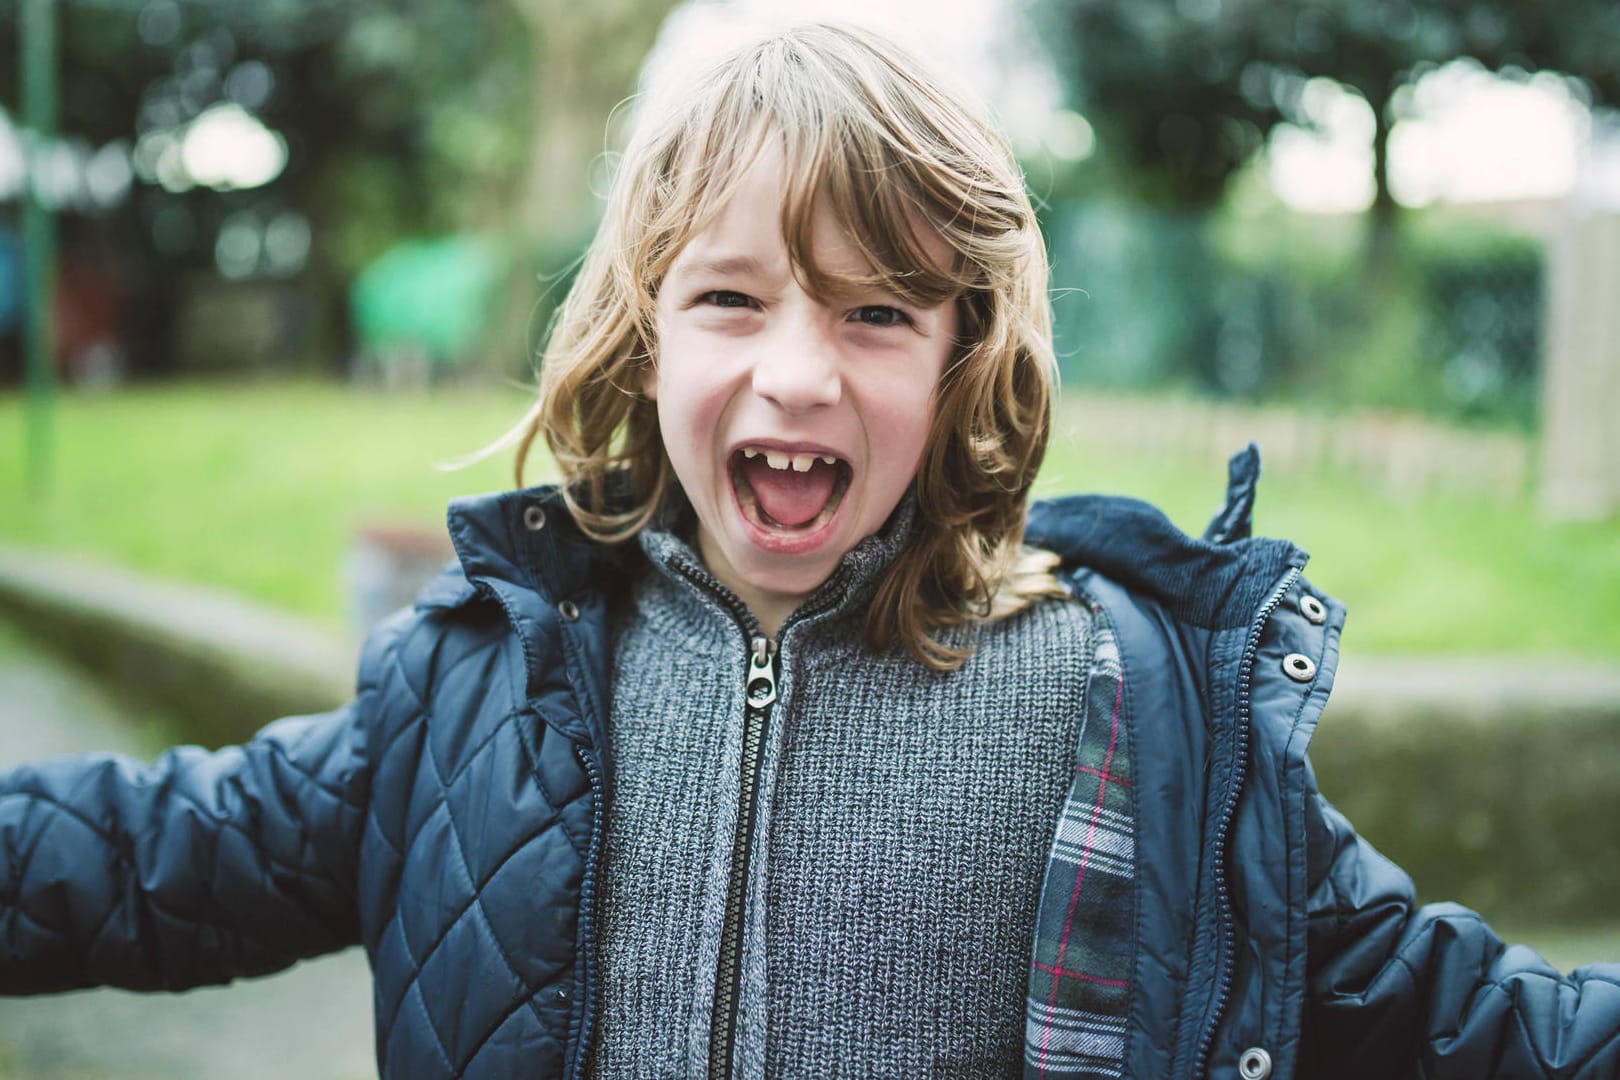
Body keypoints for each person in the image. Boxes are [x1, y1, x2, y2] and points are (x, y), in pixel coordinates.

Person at [2, 21, 1616, 1080]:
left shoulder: (1130, 715)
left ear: (964, 358)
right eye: (730, 297)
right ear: (640, 343)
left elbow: (1457, 1015)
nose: (797, 369)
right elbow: (150, 859)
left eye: (875, 311)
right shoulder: (478, 690)